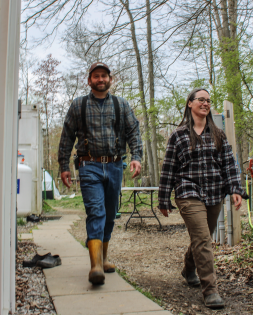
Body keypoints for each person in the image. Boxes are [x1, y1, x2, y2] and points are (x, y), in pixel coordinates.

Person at [158, 88, 248, 309]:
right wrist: (164, 199)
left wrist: (235, 189)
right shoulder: (178, 135)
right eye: (201, 100)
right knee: (204, 239)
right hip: (188, 192)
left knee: (201, 238)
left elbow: (229, 164)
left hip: (214, 191)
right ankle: (210, 290)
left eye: (208, 101)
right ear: (190, 104)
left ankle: (189, 267)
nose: (206, 103)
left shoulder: (218, 134)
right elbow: (168, 169)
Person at [58, 62, 143, 285]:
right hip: (89, 166)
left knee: (110, 212)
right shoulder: (79, 105)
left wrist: (136, 157)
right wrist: (64, 166)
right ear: (89, 81)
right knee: (96, 211)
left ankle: (104, 258)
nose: (100, 79)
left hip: (115, 166)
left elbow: (133, 131)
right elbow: (66, 136)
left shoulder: (121, 104)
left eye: (104, 76)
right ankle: (95, 266)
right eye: (96, 76)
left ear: (110, 79)